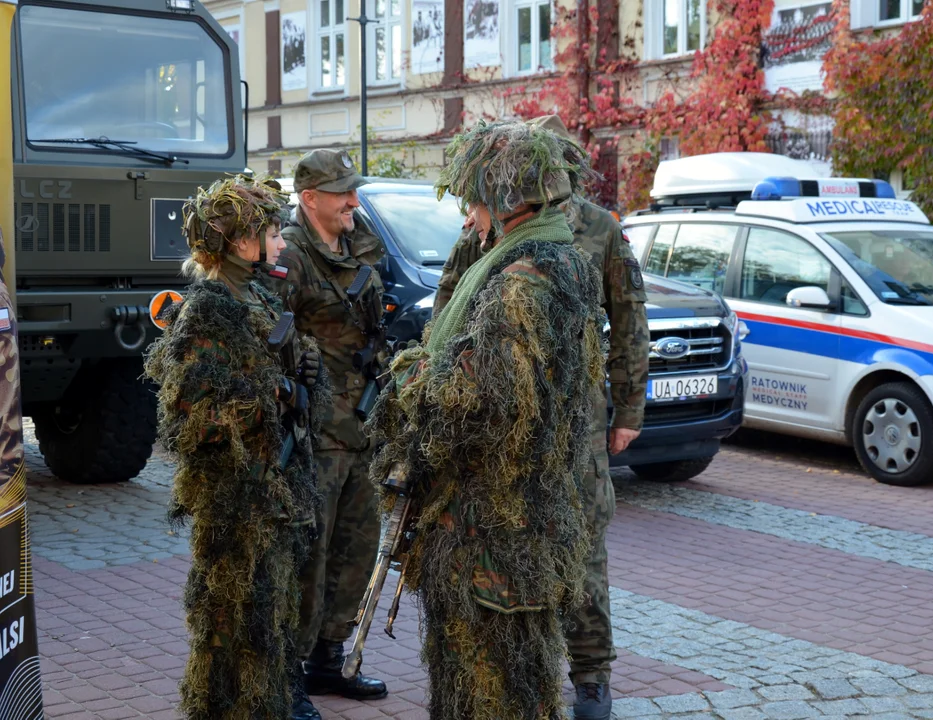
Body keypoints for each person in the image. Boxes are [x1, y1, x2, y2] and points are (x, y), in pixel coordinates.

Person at [367, 119, 607, 719]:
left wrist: (409, 377)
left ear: (505, 200)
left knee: (487, 691)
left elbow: (477, 401)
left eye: (473, 199)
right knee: (515, 685)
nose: (468, 216)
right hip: (525, 518)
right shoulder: (564, 261)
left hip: (490, 531)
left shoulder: (520, 283)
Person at [433, 115, 650, 720]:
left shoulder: (599, 231)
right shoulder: (486, 234)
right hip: (516, 426)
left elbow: (629, 322)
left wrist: (629, 408)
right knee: (521, 539)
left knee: (584, 544)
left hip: (578, 418)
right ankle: (524, 671)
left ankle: (590, 676)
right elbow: (448, 311)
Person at [144, 175, 331, 719]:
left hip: (274, 496)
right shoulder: (209, 308)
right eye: (272, 233)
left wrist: (303, 372)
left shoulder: (254, 295)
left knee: (269, 626)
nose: (280, 244)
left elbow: (281, 371)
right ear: (241, 240)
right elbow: (190, 419)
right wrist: (275, 393)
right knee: (233, 636)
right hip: (238, 504)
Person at [264, 149, 387, 717]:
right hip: (316, 429)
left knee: (357, 546)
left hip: (361, 421)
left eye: (353, 191)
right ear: (309, 198)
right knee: (309, 553)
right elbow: (273, 340)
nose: (353, 203)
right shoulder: (290, 253)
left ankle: (327, 659)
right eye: (342, 193)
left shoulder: (357, 241)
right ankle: (288, 673)